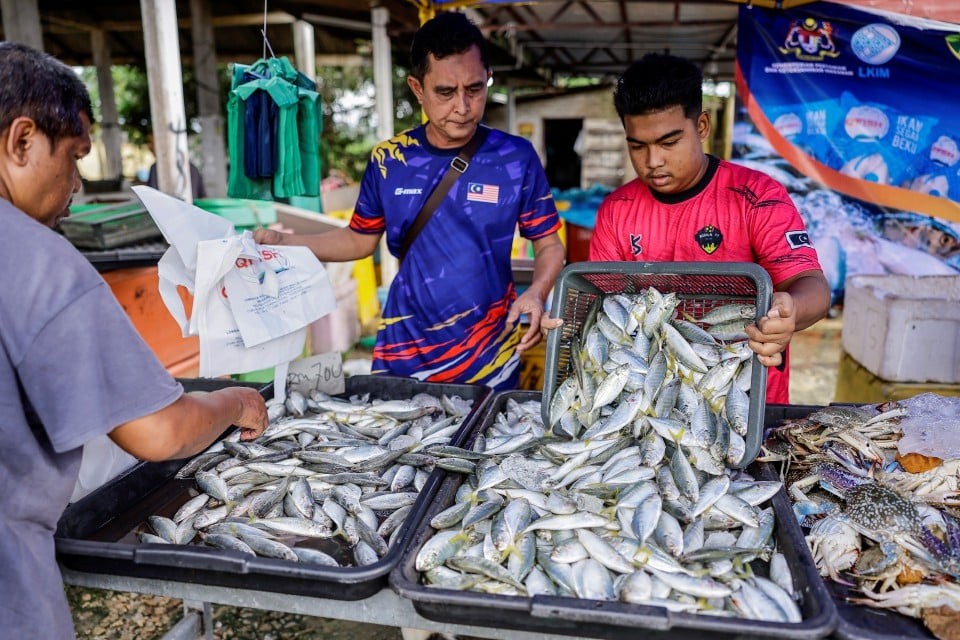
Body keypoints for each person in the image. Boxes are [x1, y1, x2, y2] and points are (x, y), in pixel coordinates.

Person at [0, 42, 268, 637]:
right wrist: (234, 402)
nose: (77, 184)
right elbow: (159, 431)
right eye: (73, 157)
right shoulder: (39, 263)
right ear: (21, 141)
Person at [254, 12, 565, 391]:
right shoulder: (389, 160)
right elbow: (358, 240)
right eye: (445, 92)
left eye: (475, 89)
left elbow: (549, 243)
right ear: (418, 89)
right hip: (404, 351)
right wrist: (284, 243)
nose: (463, 107)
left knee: (483, 448)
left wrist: (536, 292)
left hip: (489, 356)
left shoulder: (515, 158)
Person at [587, 53, 831, 404]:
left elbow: (812, 285)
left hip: (745, 398)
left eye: (669, 142)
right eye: (637, 146)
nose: (653, 161)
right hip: (650, 400)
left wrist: (790, 310)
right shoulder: (616, 210)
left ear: (701, 127)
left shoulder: (757, 196)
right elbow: (605, 303)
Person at [144, 131, 207, 200]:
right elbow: (203, 197)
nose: (148, 146)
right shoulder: (191, 167)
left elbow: (151, 198)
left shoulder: (156, 168)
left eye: (151, 143)